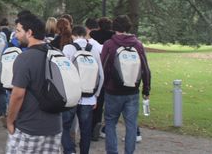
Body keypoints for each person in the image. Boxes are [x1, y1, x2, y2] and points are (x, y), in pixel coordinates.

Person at [6, 13, 62, 154]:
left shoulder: (24, 58)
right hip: (55, 127)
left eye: (18, 31)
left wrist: (9, 121)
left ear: (29, 33)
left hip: (29, 128)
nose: (16, 35)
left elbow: (17, 95)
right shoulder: (57, 54)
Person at [100, 15, 151, 154]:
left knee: (110, 123)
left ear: (114, 28)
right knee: (131, 125)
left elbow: (102, 68)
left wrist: (101, 87)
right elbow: (145, 69)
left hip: (112, 91)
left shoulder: (109, 44)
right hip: (132, 91)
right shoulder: (138, 44)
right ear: (129, 27)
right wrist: (146, 89)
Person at [61, 26, 104, 154]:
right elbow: (101, 74)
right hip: (89, 96)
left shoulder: (68, 49)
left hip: (71, 96)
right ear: (86, 35)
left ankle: (70, 151)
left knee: (65, 126)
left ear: (72, 35)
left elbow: (64, 72)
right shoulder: (94, 50)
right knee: (85, 130)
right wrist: (96, 95)